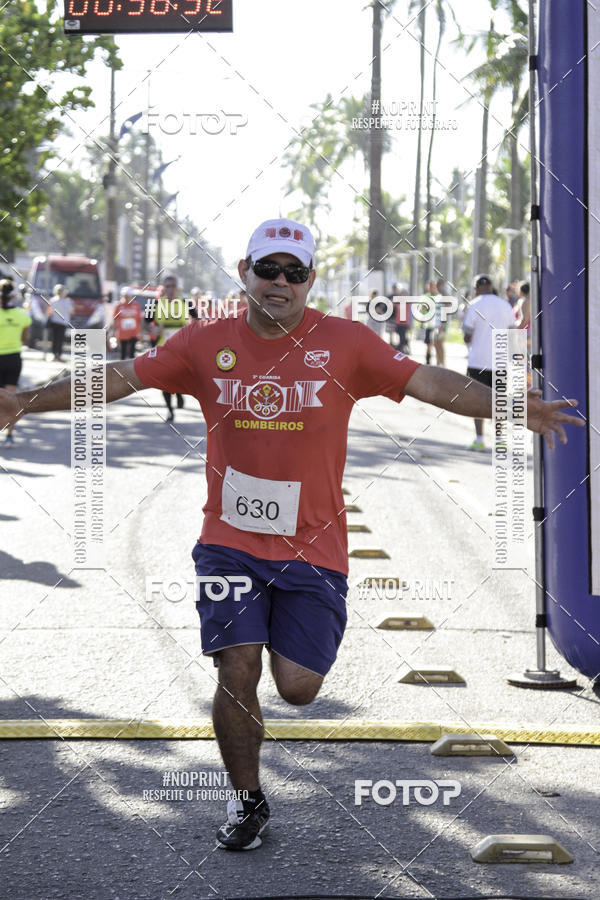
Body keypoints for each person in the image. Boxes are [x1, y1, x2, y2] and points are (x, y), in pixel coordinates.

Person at [0, 218, 583, 851]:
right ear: (246, 272)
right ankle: (247, 800)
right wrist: (25, 400)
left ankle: (288, 662)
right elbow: (117, 378)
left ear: (309, 282)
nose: (280, 282)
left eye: (294, 273)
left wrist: (509, 404)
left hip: (315, 545)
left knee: (298, 688)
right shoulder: (204, 342)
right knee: (237, 666)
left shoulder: (346, 344)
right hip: (229, 539)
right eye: (268, 269)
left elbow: (429, 383)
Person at [462, 274, 517, 450]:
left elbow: (467, 335)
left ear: (476, 288)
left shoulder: (474, 304)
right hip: (500, 362)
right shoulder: (505, 305)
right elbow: (512, 333)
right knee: (499, 401)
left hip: (478, 361)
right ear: (492, 286)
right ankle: (500, 440)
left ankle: (479, 440)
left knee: (476, 400)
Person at [153, 275, 188, 422]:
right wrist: (153, 330)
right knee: (163, 380)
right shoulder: (157, 304)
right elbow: (146, 322)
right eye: (168, 286)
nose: (171, 289)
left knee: (179, 376)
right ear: (164, 288)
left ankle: (179, 393)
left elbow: (198, 320)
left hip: (181, 348)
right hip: (163, 347)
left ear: (177, 288)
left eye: (173, 286)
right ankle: (169, 410)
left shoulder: (184, 302)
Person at [0, 279, 30, 444]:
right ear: (13, 296)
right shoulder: (22, 314)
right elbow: (25, 339)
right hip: (13, 358)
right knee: (10, 399)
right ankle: (9, 436)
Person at [111, 289, 143, 360]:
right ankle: (122, 369)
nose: (127, 298)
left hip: (134, 333)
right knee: (123, 353)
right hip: (122, 334)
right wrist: (114, 332)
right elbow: (114, 319)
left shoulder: (136, 305)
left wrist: (141, 333)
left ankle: (131, 369)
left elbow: (140, 319)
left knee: (132, 353)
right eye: (125, 296)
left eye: (128, 296)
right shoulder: (119, 306)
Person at [47, 284, 72, 362]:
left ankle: (54, 355)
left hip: (54, 322)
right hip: (63, 323)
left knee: (54, 339)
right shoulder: (67, 301)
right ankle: (59, 355)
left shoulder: (52, 300)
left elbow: (49, 312)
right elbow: (71, 311)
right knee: (60, 340)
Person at [433, 278, 448, 367]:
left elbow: (445, 311)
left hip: (441, 324)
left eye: (439, 284)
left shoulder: (445, 295)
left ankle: (442, 363)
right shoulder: (437, 295)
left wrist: (442, 325)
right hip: (436, 323)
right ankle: (438, 362)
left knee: (440, 343)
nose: (437, 286)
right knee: (435, 343)